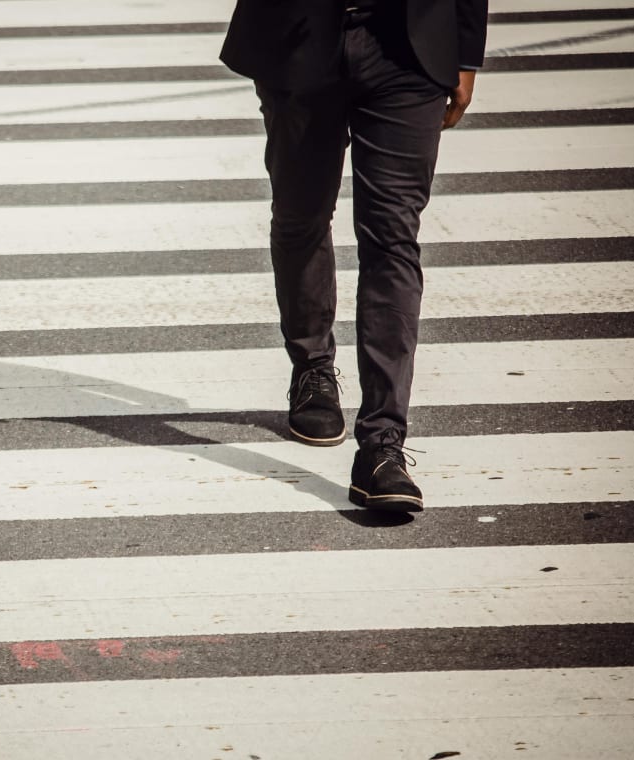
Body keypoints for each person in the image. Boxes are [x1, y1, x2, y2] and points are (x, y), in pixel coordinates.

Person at [219, 0, 489, 511]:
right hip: (297, 35)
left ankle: (383, 446)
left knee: (392, 239)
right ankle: (312, 365)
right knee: (301, 215)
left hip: (409, 47)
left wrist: (467, 50)